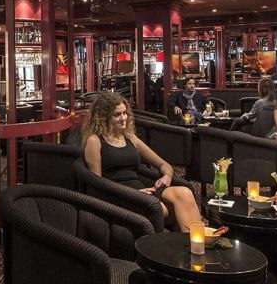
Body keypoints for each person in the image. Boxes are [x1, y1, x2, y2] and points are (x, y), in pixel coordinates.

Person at [82, 92, 204, 231]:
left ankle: (196, 246)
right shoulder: (95, 140)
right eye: (117, 115)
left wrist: (166, 177)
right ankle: (190, 246)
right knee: (174, 210)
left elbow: (164, 165)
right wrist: (133, 194)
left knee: (185, 193)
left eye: (125, 113)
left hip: (143, 190)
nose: (123, 118)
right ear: (103, 117)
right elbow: (97, 184)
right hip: (118, 196)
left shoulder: (129, 137)